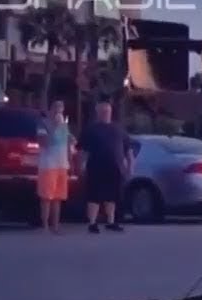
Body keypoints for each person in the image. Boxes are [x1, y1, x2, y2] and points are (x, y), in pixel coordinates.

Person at [76, 100, 133, 233]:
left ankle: (111, 222)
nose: (105, 113)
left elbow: (128, 150)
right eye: (102, 111)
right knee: (94, 196)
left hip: (115, 168)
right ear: (98, 113)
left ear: (111, 112)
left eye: (107, 111)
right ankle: (92, 223)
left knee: (112, 196)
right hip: (96, 167)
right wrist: (81, 165)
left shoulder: (119, 129)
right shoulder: (91, 129)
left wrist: (130, 167)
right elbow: (82, 151)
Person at [36, 99, 74, 233]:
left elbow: (68, 144)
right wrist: (56, 127)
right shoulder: (43, 124)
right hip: (48, 165)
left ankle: (56, 225)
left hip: (61, 165)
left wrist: (70, 159)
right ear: (50, 110)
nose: (59, 111)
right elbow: (44, 143)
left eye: (61, 109)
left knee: (58, 197)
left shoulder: (64, 125)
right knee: (46, 196)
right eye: (56, 108)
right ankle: (45, 225)